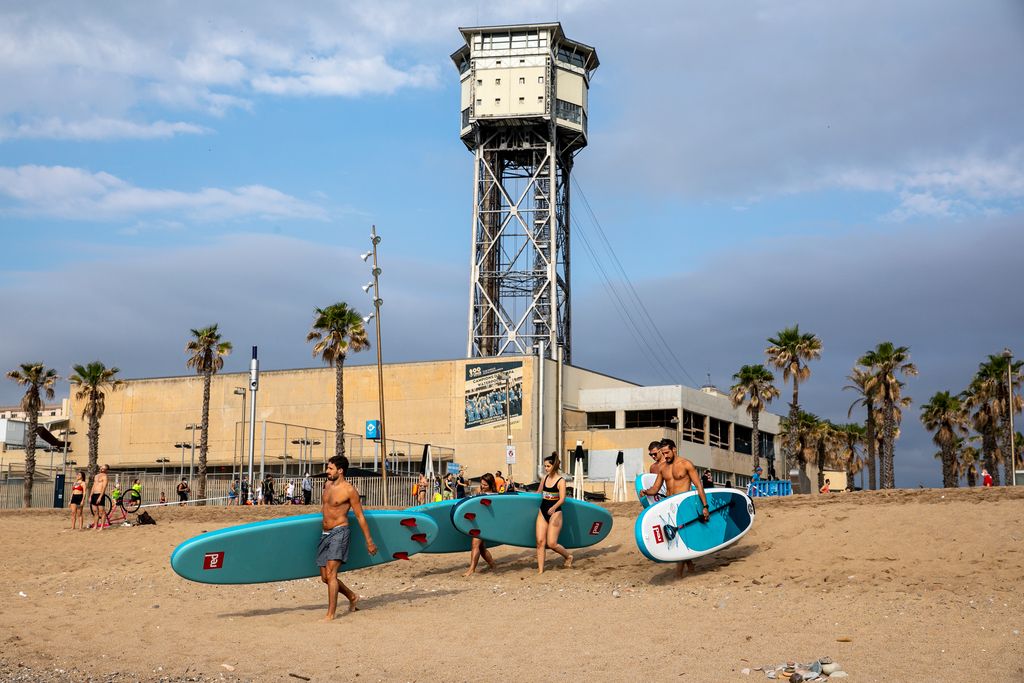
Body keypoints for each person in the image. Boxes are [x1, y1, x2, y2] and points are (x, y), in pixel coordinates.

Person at [318, 454, 377, 620]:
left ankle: (330, 615)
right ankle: (352, 596)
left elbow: (360, 516)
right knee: (324, 577)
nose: (327, 471)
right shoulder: (327, 484)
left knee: (331, 574)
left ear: (340, 470)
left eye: (330, 468)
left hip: (340, 531)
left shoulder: (349, 490)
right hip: (325, 533)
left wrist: (369, 541)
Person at [641, 438, 710, 577]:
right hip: (669, 506)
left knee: (680, 537)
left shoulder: (686, 464)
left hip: (683, 505)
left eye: (667, 453)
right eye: (663, 453)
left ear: (674, 449)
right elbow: (655, 488)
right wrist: (646, 491)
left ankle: (678, 575)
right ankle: (690, 567)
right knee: (676, 537)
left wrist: (705, 506)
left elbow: (698, 486)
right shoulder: (662, 468)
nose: (665, 456)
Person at [536, 454, 573, 574]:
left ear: (554, 466)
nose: (546, 468)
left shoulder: (560, 481)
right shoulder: (544, 478)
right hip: (543, 511)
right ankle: (540, 571)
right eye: (545, 466)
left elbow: (562, 499)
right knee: (540, 542)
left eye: (548, 466)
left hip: (555, 512)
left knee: (551, 543)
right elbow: (538, 493)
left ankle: (568, 556)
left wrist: (554, 507)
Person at [463, 473, 499, 577]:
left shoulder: (495, 496)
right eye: (482, 484)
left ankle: (471, 570)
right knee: (482, 548)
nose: (483, 486)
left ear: (491, 484)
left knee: (475, 544)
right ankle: (493, 565)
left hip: (485, 523)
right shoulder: (479, 492)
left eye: (485, 485)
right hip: (477, 521)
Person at [89, 464, 109, 531]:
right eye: (101, 468)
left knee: (102, 511)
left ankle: (102, 526)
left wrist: (100, 497)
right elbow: (93, 486)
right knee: (95, 511)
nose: (102, 469)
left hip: (100, 494)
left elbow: (104, 487)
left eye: (104, 468)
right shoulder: (96, 476)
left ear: (106, 470)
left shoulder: (105, 476)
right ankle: (95, 526)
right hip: (94, 494)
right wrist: (90, 496)